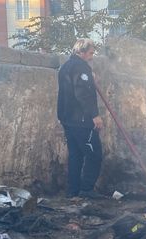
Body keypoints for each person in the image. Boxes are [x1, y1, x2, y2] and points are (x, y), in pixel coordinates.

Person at [57, 38, 105, 199]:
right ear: (81, 52)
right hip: (82, 120)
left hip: (67, 119)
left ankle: (73, 191)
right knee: (94, 154)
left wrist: (90, 78)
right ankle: (87, 190)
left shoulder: (66, 67)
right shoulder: (80, 68)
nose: (92, 57)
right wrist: (95, 115)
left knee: (76, 155)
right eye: (90, 53)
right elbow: (82, 93)